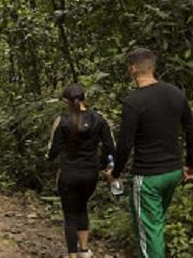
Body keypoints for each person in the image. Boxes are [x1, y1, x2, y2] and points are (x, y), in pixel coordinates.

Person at [106, 47, 193, 258]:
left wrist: (115, 172)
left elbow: (125, 144)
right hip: (173, 173)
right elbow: (192, 130)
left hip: (148, 178)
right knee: (153, 227)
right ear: (152, 67)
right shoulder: (176, 93)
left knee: (149, 232)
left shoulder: (133, 102)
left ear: (132, 69)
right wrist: (191, 164)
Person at [47, 84, 115, 258]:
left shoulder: (62, 120)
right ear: (85, 98)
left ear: (65, 101)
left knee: (70, 214)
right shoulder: (99, 119)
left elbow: (52, 151)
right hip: (90, 174)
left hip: (68, 173)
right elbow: (110, 146)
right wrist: (102, 165)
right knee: (82, 207)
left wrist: (50, 158)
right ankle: (84, 250)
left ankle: (72, 255)